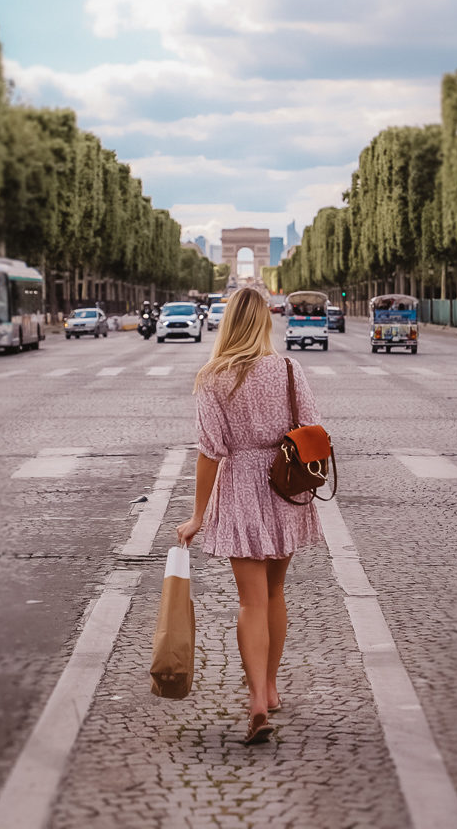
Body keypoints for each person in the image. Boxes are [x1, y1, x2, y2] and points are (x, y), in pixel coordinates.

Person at [176, 286, 323, 745]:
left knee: (250, 602)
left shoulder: (212, 377)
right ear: (264, 322)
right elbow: (313, 428)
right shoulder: (287, 369)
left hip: (239, 485)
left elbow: (210, 452)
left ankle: (257, 697)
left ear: (227, 324)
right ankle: (274, 687)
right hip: (284, 486)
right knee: (276, 593)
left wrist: (198, 516)